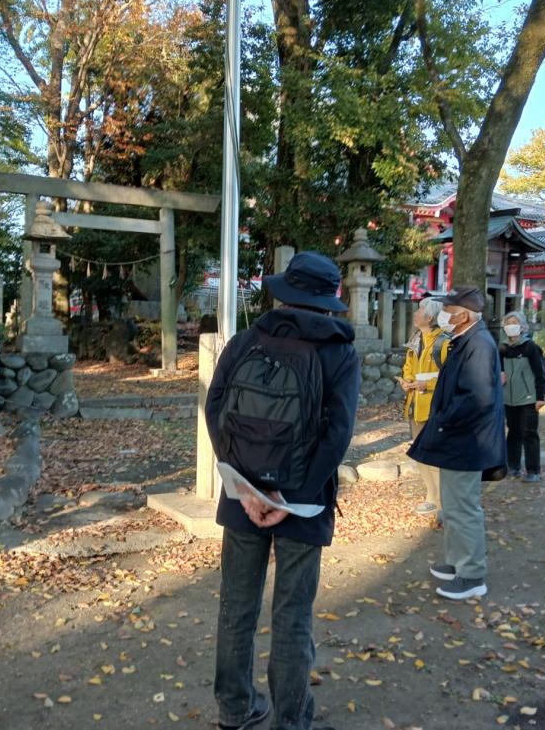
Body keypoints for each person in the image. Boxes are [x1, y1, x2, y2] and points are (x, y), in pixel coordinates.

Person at [206, 251, 359, 730]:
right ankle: (290, 720)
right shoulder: (338, 352)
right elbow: (338, 433)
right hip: (304, 501)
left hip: (241, 496)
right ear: (328, 298)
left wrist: (244, 486)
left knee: (237, 605)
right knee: (292, 615)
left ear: (287, 292)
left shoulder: (248, 340)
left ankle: (235, 708)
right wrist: (291, 498)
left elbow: (215, 409)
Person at [408, 286, 505, 600]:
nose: (444, 315)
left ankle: (472, 573)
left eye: (448, 310)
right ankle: (456, 561)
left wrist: (444, 420)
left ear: (463, 315)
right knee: (451, 505)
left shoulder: (479, 344)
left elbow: (476, 398)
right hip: (457, 438)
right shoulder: (465, 340)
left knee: (463, 507)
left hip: (467, 440)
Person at [402, 296, 450, 515]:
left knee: (435, 454)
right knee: (419, 452)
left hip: (434, 405)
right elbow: (409, 366)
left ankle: (441, 501)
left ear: (430, 316)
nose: (415, 313)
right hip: (415, 404)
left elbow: (451, 376)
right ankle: (431, 496)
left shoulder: (444, 342)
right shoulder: (415, 339)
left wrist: (427, 383)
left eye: (419, 309)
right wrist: (406, 379)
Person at [499, 311, 545, 483]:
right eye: (508, 322)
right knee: (513, 432)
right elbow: (497, 369)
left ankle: (533, 470)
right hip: (508, 397)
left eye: (515, 322)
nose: (511, 325)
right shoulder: (502, 348)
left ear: (522, 326)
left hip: (528, 397)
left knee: (529, 433)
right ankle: (513, 466)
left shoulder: (530, 347)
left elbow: (540, 373)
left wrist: (540, 396)